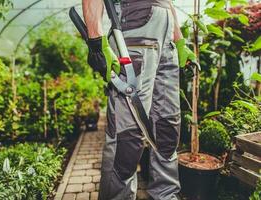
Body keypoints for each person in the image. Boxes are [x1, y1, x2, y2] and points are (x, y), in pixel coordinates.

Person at [82, 0, 196, 199]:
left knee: (167, 128)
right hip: (135, 32)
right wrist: (95, 40)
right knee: (127, 139)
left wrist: (179, 39)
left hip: (166, 40)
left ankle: (166, 195)